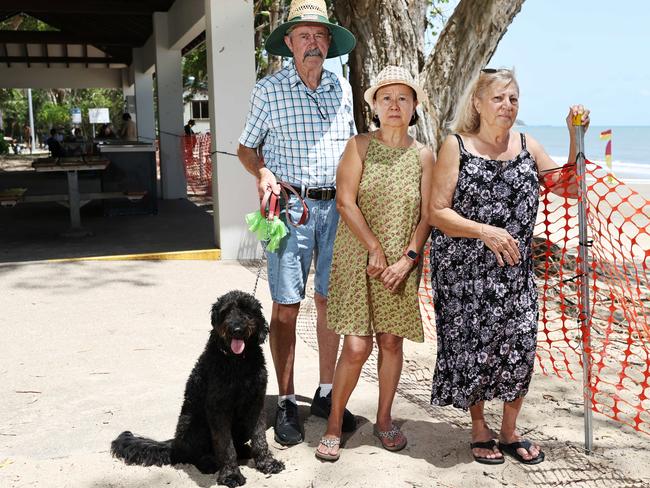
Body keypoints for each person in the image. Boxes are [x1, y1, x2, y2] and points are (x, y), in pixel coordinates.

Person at [428, 68, 590, 465]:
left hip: (514, 271)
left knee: (519, 346)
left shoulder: (526, 144)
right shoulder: (456, 145)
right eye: (499, 98)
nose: (507, 105)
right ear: (478, 104)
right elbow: (436, 212)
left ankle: (509, 431)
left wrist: (575, 134)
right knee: (474, 350)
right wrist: (486, 232)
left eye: (513, 98)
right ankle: (479, 427)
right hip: (464, 272)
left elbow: (567, 186)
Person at [237, 0, 357, 446]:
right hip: (289, 210)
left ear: (329, 43)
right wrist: (264, 173)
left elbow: (354, 151)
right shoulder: (268, 90)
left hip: (338, 210)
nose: (313, 43)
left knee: (329, 302)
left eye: (320, 35)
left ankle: (327, 394)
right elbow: (246, 149)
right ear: (288, 43)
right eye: (303, 35)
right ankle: (287, 399)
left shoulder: (342, 89)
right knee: (286, 307)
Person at [315, 66, 434, 462]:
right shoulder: (359, 146)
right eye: (386, 98)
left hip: (403, 261)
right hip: (358, 258)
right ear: (375, 107)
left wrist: (408, 258)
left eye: (403, 98)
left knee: (390, 341)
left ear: (414, 106)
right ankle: (334, 422)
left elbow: (428, 214)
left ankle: (384, 419)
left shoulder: (423, 155)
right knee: (355, 346)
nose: (394, 105)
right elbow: (345, 201)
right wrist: (373, 248)